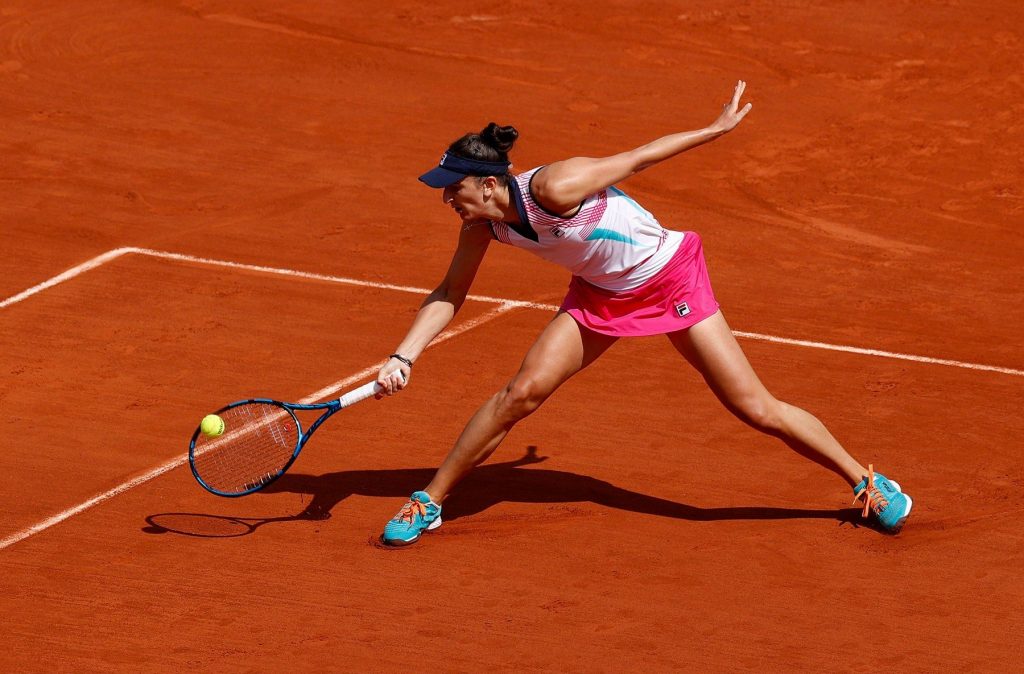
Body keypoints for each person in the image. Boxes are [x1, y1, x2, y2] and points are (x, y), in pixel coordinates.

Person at [374, 81, 912, 546]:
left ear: (488, 184)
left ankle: (865, 481)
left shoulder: (554, 187)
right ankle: (431, 500)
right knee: (520, 393)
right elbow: (449, 290)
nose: (447, 199)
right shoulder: (480, 224)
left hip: (670, 276)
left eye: (453, 189)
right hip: (601, 293)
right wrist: (405, 354)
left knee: (753, 407)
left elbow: (639, 157)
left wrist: (715, 129)